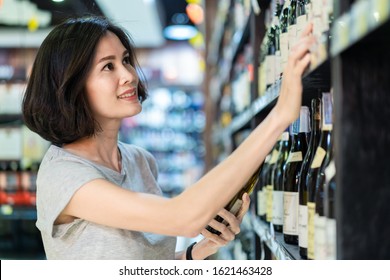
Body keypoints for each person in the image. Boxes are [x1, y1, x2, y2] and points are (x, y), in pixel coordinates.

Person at [22, 16, 314, 260]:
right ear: (70, 86)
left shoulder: (139, 161)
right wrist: (278, 117)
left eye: (125, 60)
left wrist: (195, 253)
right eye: (108, 66)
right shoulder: (63, 175)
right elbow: (183, 217)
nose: (129, 75)